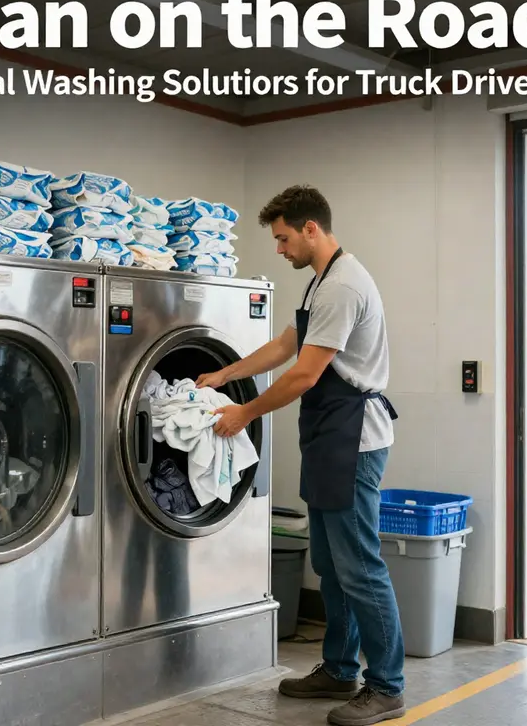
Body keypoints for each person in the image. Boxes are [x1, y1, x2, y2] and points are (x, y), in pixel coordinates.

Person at [196, 185, 406, 726]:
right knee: (331, 566)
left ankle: (387, 686)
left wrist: (245, 413)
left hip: (353, 440)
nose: (280, 249)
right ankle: (339, 669)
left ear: (311, 228)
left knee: (359, 566)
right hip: (328, 434)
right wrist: (225, 373)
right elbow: (284, 346)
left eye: (284, 238)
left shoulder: (343, 286)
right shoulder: (320, 281)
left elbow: (304, 374)